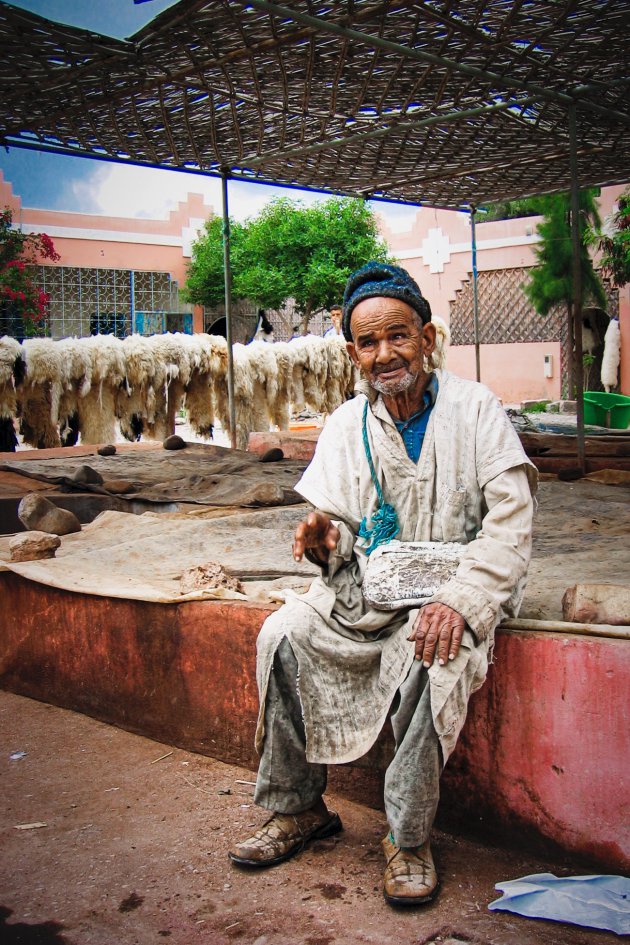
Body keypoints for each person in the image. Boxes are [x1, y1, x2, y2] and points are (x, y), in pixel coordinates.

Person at [228, 262, 536, 906]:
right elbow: (338, 525)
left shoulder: (477, 410)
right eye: (368, 343)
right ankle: (297, 808)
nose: (384, 354)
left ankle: (406, 835)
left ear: (426, 337)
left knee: (438, 652)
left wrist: (461, 599)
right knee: (282, 632)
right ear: (352, 353)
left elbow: (510, 526)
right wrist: (326, 540)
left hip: (449, 594)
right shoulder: (346, 427)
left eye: (398, 335)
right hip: (365, 597)